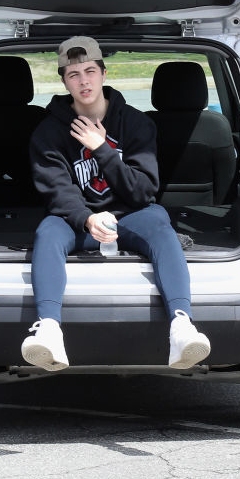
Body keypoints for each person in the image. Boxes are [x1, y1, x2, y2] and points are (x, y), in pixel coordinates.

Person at [20, 36, 211, 371]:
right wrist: (86, 218)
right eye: (74, 74)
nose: (84, 81)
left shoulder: (136, 124)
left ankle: (182, 326)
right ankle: (48, 329)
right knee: (47, 231)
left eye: (90, 71)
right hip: (78, 222)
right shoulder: (48, 132)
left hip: (131, 215)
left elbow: (142, 191)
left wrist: (101, 149)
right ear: (64, 80)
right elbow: (57, 190)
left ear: (104, 74)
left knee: (160, 223)